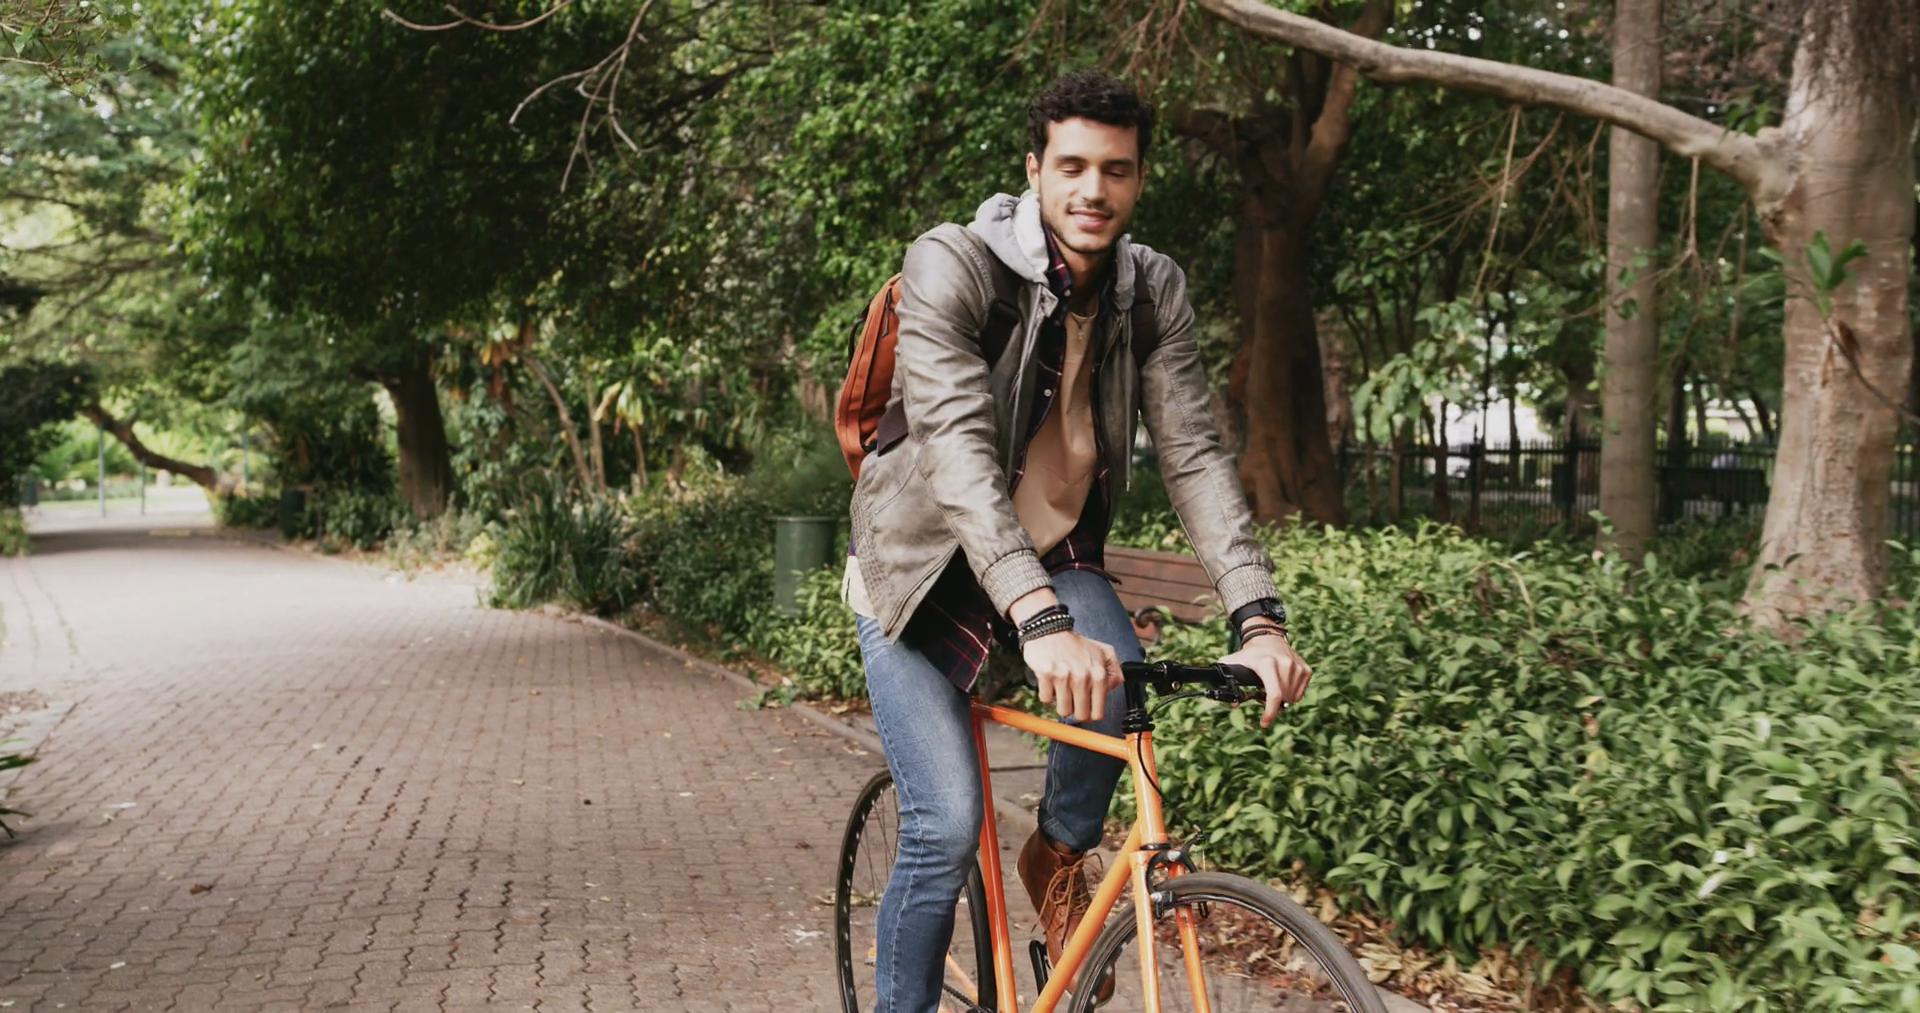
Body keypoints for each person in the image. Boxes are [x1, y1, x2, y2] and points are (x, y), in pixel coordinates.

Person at [843, 70, 1312, 1013]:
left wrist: (1259, 619)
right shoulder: (953, 264)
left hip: (1054, 555)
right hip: (924, 565)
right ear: (1035, 170)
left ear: (1139, 179)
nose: (1093, 189)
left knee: (1117, 690)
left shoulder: (1152, 290)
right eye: (1072, 166)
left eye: (1116, 169)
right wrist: (1039, 619)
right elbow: (958, 454)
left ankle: (1056, 858)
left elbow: (1195, 456)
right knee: (945, 823)